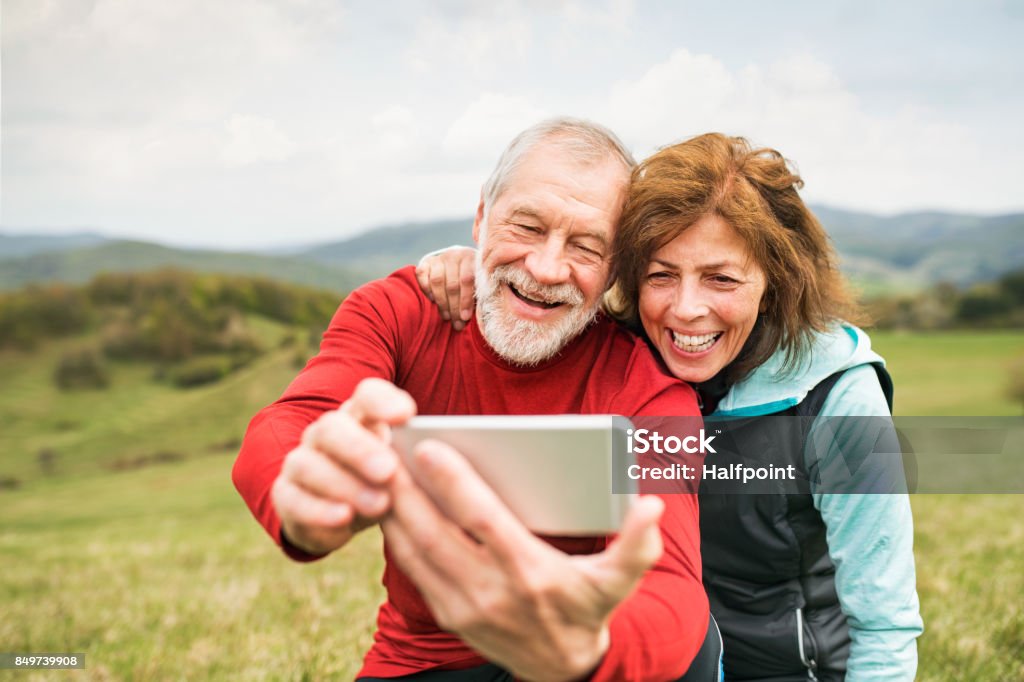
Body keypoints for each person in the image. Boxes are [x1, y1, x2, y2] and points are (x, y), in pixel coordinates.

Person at [419, 133, 923, 681]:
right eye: (661, 275)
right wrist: (469, 267)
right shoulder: (622, 361)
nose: (686, 310)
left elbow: (884, 627)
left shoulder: (840, 399)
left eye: (721, 279)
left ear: (773, 284)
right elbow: (544, 282)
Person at [232, 118, 710, 681]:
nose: (546, 268)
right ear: (482, 215)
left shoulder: (645, 387)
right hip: (424, 659)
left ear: (613, 269)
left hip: (574, 652)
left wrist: (592, 644)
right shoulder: (397, 312)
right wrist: (301, 487)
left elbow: (671, 588)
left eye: (586, 246)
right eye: (527, 227)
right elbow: (295, 420)